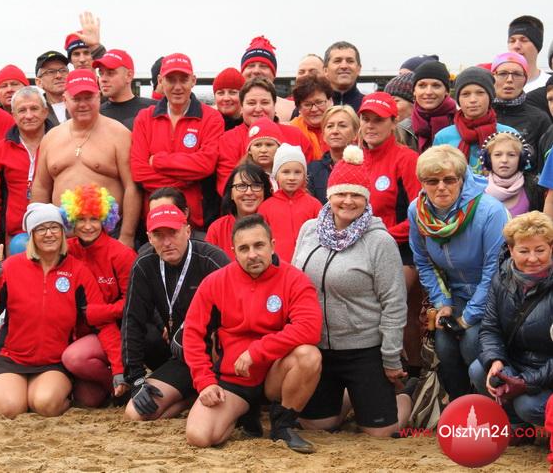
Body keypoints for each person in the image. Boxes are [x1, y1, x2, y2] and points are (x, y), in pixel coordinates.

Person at [292, 145, 411, 437]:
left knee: (381, 434)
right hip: (320, 347)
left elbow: (394, 302)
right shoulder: (309, 230)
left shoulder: (379, 241)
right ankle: (348, 399)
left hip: (364, 350)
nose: (348, 201)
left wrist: (391, 358)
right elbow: (293, 282)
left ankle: (404, 397)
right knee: (316, 426)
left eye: (356, 195)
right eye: (341, 193)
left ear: (366, 198)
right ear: (329, 195)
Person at [184, 214, 323, 452]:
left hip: (275, 375)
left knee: (309, 355)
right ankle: (244, 413)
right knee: (200, 436)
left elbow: (309, 328)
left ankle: (282, 425)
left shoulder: (294, 279)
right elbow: (193, 335)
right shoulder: (215, 282)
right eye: (244, 248)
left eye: (259, 245)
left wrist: (256, 351)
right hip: (235, 379)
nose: (252, 254)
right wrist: (204, 382)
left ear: (272, 245)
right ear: (233, 252)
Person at [0, 203, 104, 418]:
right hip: (10, 358)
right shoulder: (11, 267)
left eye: (54, 227)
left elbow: (97, 317)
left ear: (63, 232)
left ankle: (39, 393)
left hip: (53, 361)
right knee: (9, 409)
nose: (49, 234)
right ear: (31, 235)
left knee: (46, 405)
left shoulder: (78, 270)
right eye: (41, 228)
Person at [408, 145, 508, 400]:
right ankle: (460, 406)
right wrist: (443, 303)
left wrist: (468, 317)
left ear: (462, 180)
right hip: (455, 294)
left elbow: (495, 270)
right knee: (444, 346)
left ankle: (493, 405)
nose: (441, 187)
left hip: (495, 294)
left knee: (471, 341)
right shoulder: (416, 211)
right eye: (432, 181)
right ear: (422, 183)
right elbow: (423, 261)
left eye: (449, 180)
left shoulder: (490, 211)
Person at [122, 204, 230, 421]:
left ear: (188, 231)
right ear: (149, 238)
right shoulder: (144, 265)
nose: (167, 242)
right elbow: (132, 322)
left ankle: (203, 395)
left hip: (222, 357)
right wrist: (136, 378)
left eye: (173, 232)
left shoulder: (212, 260)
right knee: (135, 413)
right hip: (184, 357)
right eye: (159, 235)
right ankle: (190, 397)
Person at [31, 69, 140, 249]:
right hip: (61, 239)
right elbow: (41, 187)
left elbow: (132, 186)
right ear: (65, 100)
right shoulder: (51, 137)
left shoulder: (119, 134)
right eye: (76, 99)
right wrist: (37, 230)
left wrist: (126, 236)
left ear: (99, 97)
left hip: (108, 236)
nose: (83, 104)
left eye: (88, 98)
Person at [468, 211, 553, 433]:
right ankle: (518, 427)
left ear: (551, 248)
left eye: (540, 250)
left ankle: (541, 424)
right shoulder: (501, 278)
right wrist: (495, 360)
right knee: (480, 370)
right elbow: (490, 328)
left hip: (548, 369)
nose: (532, 258)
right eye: (524, 251)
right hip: (518, 361)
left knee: (528, 405)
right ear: (511, 249)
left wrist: (526, 382)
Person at [359, 92, 422, 377]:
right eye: (366, 119)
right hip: (360, 246)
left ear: (393, 122)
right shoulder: (354, 158)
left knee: (394, 305)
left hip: (401, 248)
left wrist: (380, 235)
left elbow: (418, 214)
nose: (370, 125)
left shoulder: (407, 159)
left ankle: (411, 373)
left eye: (378, 120)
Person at [60, 185, 136, 407]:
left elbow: (133, 304)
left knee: (75, 358)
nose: (87, 226)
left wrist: (99, 312)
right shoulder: (66, 250)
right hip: (80, 331)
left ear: (105, 219)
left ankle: (122, 385)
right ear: (71, 220)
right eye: (81, 219)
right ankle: (111, 383)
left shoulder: (121, 254)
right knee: (88, 400)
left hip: (115, 329)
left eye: (94, 219)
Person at [131, 53, 223, 232]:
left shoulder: (211, 118)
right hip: (153, 223)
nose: (178, 87)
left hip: (195, 223)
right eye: (171, 80)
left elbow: (206, 165)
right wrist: (187, 179)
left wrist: (158, 161)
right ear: (160, 81)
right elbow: (139, 172)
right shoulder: (144, 118)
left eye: (184, 79)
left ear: (193, 80)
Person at [0, 86, 53, 251]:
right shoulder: (0, 151)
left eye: (34, 109)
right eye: (22, 110)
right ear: (13, 115)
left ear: (45, 112)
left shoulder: (61, 143)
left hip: (56, 233)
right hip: (16, 237)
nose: (28, 115)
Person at [216, 78, 312, 195]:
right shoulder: (228, 139)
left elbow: (309, 180)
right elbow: (226, 186)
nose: (258, 109)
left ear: (274, 105)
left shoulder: (296, 135)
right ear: (241, 107)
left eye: (265, 103)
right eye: (251, 103)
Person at [434, 67, 518, 173]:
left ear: (490, 96)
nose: (473, 100)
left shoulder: (509, 134)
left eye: (480, 93)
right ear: (458, 99)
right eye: (465, 94)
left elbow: (520, 174)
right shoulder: (443, 137)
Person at [258, 144, 321, 262]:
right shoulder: (265, 207)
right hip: (277, 265)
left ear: (304, 175)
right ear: (276, 175)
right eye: (286, 172)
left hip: (308, 263)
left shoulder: (314, 205)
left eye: (297, 172)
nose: (292, 177)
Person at [491, 52, 552, 171]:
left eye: (517, 74)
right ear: (492, 77)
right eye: (502, 74)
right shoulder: (480, 114)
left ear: (525, 79)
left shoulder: (539, 119)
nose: (509, 80)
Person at [207, 163, 272, 259]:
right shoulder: (217, 229)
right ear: (231, 194)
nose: (249, 192)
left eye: (256, 186)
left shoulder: (276, 223)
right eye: (241, 186)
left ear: (265, 192)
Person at [399, 60, 456, 153]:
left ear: (447, 91)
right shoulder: (402, 130)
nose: (428, 92)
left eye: (436, 86)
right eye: (422, 85)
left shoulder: (460, 125)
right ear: (414, 91)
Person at [308, 105, 360, 204]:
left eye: (342, 126)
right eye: (330, 126)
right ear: (323, 135)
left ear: (355, 133)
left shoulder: (366, 166)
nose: (335, 131)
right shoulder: (312, 170)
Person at [480, 132, 539, 215]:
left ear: (521, 160)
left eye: (511, 155)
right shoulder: (477, 190)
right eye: (498, 155)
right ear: (488, 160)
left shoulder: (535, 189)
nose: (504, 160)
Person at [95, 49, 155, 130]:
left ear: (129, 76)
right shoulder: (95, 115)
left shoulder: (153, 110)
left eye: (110, 73)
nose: (103, 79)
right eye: (101, 73)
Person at [240, 35, 295, 121]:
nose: (256, 71)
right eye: (251, 66)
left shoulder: (292, 108)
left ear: (274, 74)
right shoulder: (227, 106)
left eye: (263, 66)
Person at [289, 75, 334, 161]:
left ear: (331, 101)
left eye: (319, 102)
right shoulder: (290, 131)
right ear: (299, 108)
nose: (314, 109)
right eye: (307, 104)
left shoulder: (343, 127)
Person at [507, 15, 547, 92]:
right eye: (512, 41)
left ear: (537, 45)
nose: (516, 46)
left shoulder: (548, 84)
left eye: (524, 40)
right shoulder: (495, 85)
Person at [323, 41, 364, 111]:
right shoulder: (315, 109)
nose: (344, 66)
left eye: (350, 61)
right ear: (325, 70)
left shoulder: (369, 107)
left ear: (359, 69)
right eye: (337, 61)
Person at [35, 50, 70, 126]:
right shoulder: (34, 111)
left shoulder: (82, 103)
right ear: (39, 82)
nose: (59, 76)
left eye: (63, 70)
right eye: (51, 72)